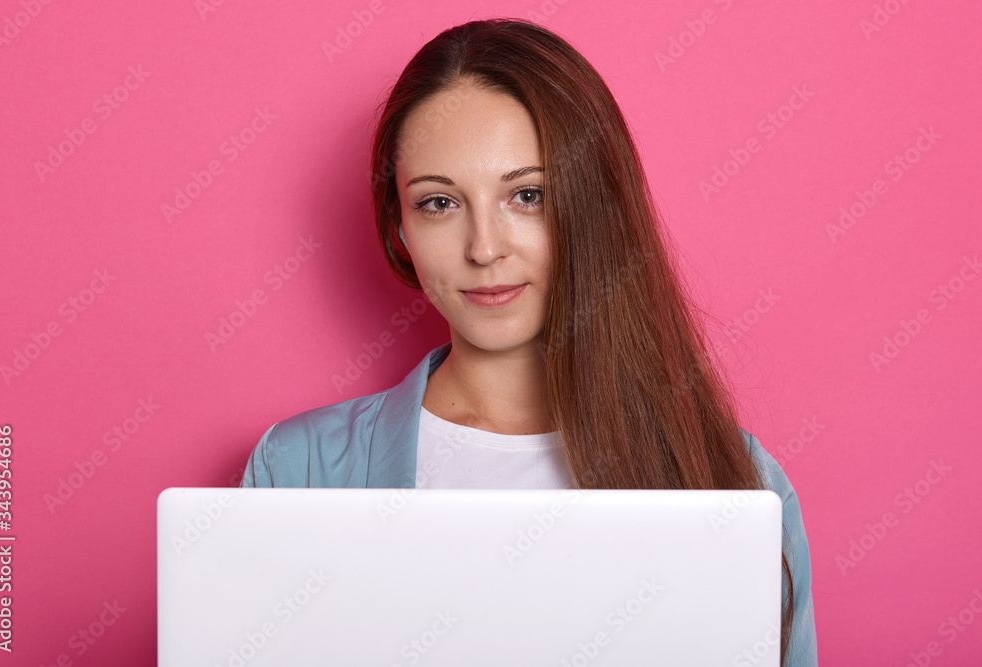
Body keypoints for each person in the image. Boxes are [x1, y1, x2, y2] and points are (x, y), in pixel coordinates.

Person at [240, 17, 816, 665]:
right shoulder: (298, 473)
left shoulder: (733, 481)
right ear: (399, 227)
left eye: (528, 194)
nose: (485, 248)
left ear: (594, 208)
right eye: (438, 203)